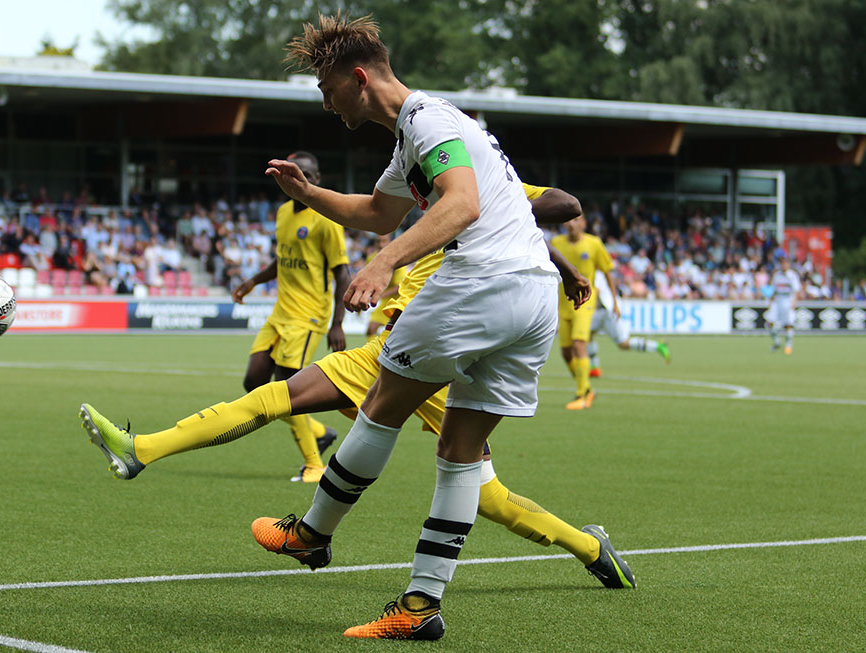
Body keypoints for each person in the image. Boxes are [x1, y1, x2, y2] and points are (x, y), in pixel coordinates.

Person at [77, 183, 633, 636]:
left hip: (439, 349)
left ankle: (312, 535)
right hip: (398, 347)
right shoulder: (428, 204)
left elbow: (562, 205)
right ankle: (143, 450)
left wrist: (523, 227)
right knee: (282, 396)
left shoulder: (482, 188)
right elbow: (378, 212)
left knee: (483, 493)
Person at [255, 14, 630, 639]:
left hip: (481, 283)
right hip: (532, 299)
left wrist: (385, 263)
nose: (325, 102)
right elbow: (378, 212)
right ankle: (421, 607)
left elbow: (461, 205)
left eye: (326, 87)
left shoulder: (427, 120)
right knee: (459, 456)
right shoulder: (417, 134)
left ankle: (312, 534)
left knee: (378, 404)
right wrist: (309, 192)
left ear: (358, 77)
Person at [231, 151, 351, 483]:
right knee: (253, 383)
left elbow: (343, 274)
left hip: (309, 317)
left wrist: (337, 323)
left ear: (317, 179)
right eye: (300, 174)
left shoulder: (326, 219)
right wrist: (253, 280)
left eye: (311, 175)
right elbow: (283, 260)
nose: (305, 180)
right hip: (280, 313)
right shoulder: (284, 213)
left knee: (287, 390)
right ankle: (318, 432)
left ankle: (315, 464)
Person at [550, 216, 614, 410]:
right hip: (563, 302)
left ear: (583, 224)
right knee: (566, 352)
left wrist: (615, 301)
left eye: (576, 220)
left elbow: (607, 271)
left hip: (585, 301)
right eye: (568, 220)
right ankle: (586, 389)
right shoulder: (556, 243)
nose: (571, 224)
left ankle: (581, 394)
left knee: (579, 344)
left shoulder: (594, 244)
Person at [587, 269, 671, 377]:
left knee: (623, 344)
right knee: (587, 334)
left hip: (607, 310)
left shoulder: (595, 273)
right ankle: (594, 367)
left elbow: (596, 291)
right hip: (597, 311)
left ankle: (658, 346)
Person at [363, 233, 408, 337]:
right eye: (378, 241)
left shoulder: (396, 259)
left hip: (399, 300)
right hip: (385, 300)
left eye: (384, 241)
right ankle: (376, 353)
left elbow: (399, 287)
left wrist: (379, 295)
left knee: (396, 333)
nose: (381, 245)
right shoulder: (371, 258)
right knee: (371, 329)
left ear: (390, 243)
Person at [765, 250, 801, 354]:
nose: (783, 265)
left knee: (788, 324)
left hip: (787, 300)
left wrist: (794, 302)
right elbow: (774, 290)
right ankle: (777, 342)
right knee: (770, 322)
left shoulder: (792, 275)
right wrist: (770, 303)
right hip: (778, 300)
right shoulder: (777, 275)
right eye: (782, 263)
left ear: (788, 264)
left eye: (785, 263)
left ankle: (788, 345)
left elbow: (797, 290)